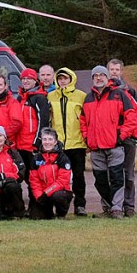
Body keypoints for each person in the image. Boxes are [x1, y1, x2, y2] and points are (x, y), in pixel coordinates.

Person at [80, 65, 137, 219]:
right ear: (92, 78)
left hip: (115, 147)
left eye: (102, 75)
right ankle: (107, 208)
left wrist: (120, 136)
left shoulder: (118, 94)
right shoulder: (88, 98)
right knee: (100, 180)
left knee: (117, 178)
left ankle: (117, 209)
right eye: (96, 76)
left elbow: (132, 117)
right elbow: (83, 121)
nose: (99, 78)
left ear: (107, 78)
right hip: (96, 148)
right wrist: (87, 138)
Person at [48, 67, 89, 215]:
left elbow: (86, 119)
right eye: (60, 78)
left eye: (65, 78)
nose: (63, 81)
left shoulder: (81, 96)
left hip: (77, 143)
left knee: (78, 177)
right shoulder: (51, 96)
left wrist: (87, 139)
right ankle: (60, 205)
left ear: (71, 79)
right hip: (58, 145)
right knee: (58, 177)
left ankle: (80, 205)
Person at [108, 58, 137, 217]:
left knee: (128, 173)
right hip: (110, 139)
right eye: (111, 69)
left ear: (121, 72)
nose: (114, 72)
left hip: (127, 139)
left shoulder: (130, 91)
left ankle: (129, 205)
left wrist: (129, 134)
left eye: (117, 70)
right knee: (113, 174)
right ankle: (114, 206)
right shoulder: (104, 91)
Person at [17, 68, 52, 193]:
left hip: (32, 145)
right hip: (20, 145)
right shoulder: (20, 98)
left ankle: (36, 205)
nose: (26, 81)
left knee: (35, 177)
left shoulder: (39, 98)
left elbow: (43, 121)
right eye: (23, 79)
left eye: (29, 79)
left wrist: (38, 142)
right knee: (25, 176)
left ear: (35, 81)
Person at [29, 128, 73, 220]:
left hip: (59, 192)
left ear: (55, 141)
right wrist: (39, 196)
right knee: (37, 217)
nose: (47, 142)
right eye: (45, 139)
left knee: (58, 196)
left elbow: (62, 181)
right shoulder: (36, 158)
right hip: (43, 194)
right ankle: (48, 212)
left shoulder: (63, 158)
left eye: (50, 139)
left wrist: (46, 193)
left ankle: (61, 214)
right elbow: (34, 181)